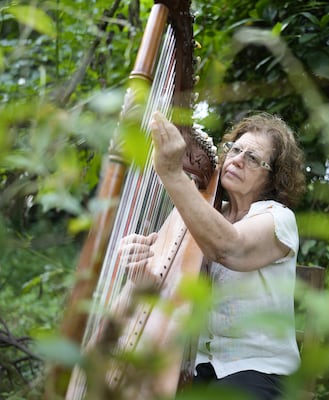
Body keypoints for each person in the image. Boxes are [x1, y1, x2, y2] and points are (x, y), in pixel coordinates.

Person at [120, 110, 306, 400]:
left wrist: (172, 174)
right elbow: (168, 289)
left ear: (273, 178)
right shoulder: (206, 214)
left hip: (258, 371)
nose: (238, 159)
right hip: (200, 366)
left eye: (253, 158)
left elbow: (229, 248)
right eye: (235, 149)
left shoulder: (279, 219)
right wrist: (140, 264)